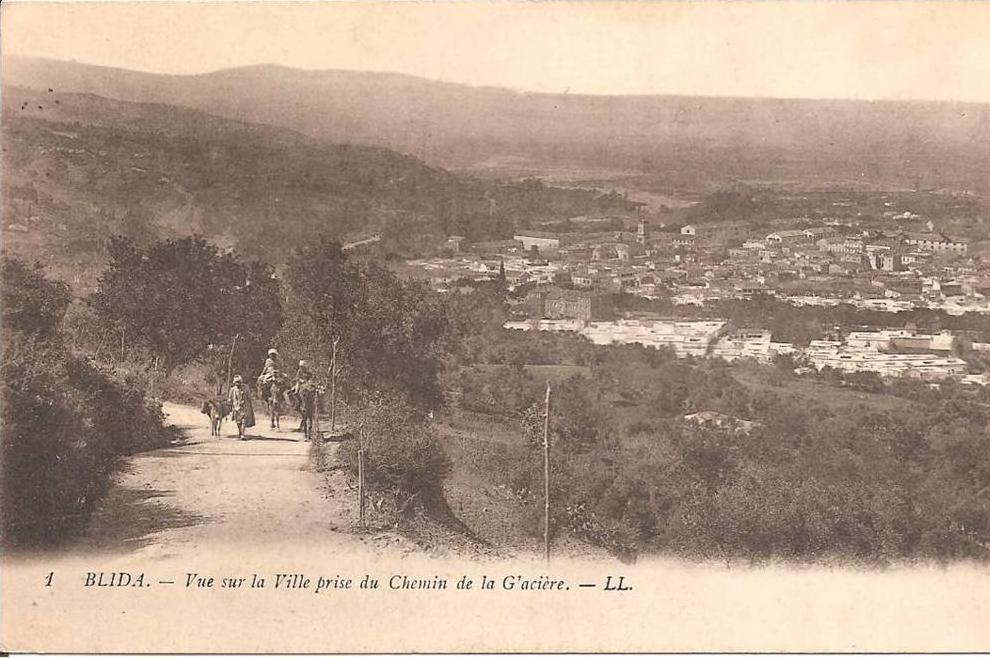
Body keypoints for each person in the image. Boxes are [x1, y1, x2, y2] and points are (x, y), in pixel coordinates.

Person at [228, 374, 255, 439]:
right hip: (236, 407)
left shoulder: (246, 388)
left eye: (239, 382)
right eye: (236, 382)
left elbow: (249, 397)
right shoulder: (232, 389)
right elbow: (230, 398)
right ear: (234, 383)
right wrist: (229, 402)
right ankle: (240, 432)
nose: (238, 384)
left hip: (244, 407)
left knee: (244, 421)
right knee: (238, 421)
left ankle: (242, 434)